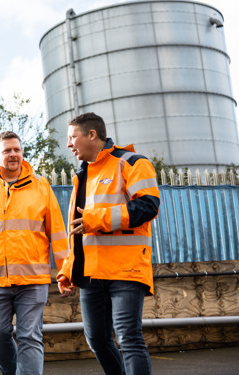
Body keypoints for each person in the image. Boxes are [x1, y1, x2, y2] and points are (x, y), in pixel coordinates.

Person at [57, 112, 160, 375]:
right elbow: (78, 230)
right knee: (97, 341)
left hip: (125, 270)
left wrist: (97, 218)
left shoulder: (132, 162)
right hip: (91, 274)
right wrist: (69, 269)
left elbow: (148, 206)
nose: (69, 144)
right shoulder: (82, 176)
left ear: (92, 134)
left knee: (128, 339)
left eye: (72, 137)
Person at [0, 131, 68, 375]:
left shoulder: (41, 186)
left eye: (17, 150)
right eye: (7, 150)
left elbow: (58, 232)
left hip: (33, 278)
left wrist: (65, 272)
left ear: (22, 153)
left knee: (30, 336)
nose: (13, 155)